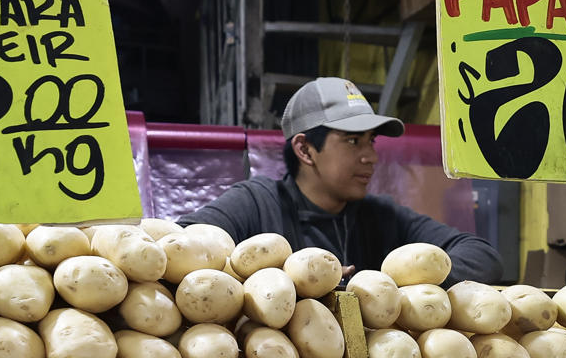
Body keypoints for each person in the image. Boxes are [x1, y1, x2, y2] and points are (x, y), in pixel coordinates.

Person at [180, 78, 503, 287]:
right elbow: (181, 245)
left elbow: (482, 256)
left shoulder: (381, 216)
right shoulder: (256, 204)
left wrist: (388, 284)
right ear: (305, 149)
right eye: (352, 142)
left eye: (371, 141)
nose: (371, 157)